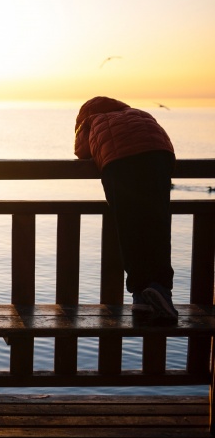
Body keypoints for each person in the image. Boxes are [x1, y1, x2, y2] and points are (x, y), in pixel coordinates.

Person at [74, 96, 177, 321]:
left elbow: (81, 151)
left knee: (129, 226)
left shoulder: (92, 120)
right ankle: (161, 291)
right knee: (157, 223)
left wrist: (83, 130)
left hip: (120, 163)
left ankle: (140, 296)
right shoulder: (140, 113)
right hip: (157, 157)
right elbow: (161, 137)